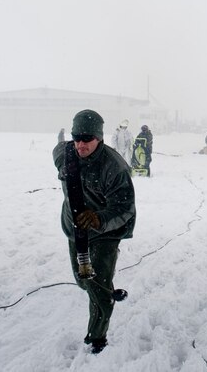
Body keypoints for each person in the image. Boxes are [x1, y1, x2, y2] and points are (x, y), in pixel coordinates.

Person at [53, 110, 136, 355]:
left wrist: (99, 218)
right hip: (75, 230)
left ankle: (97, 337)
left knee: (97, 287)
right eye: (76, 137)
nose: (80, 143)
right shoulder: (63, 154)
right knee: (83, 280)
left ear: (99, 137)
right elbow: (57, 149)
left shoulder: (114, 166)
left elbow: (125, 208)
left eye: (87, 138)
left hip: (105, 232)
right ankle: (105, 288)